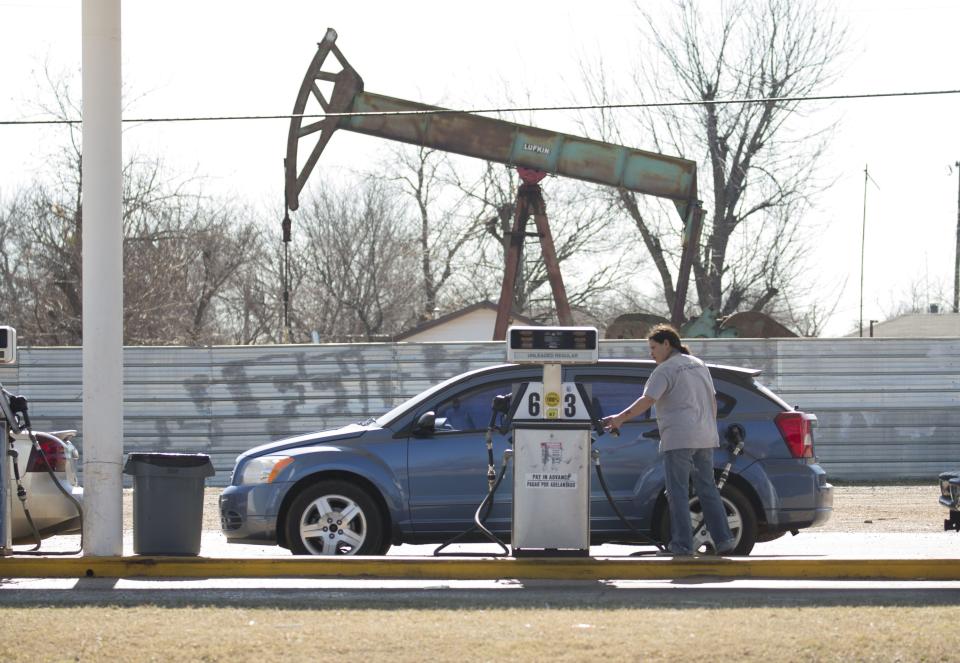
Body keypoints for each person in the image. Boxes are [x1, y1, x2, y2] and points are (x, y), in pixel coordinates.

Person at [601, 324, 735, 557]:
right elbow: (712, 401)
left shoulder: (665, 370)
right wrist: (707, 426)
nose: (651, 353)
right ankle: (724, 540)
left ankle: (682, 545)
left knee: (678, 492)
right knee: (708, 490)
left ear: (666, 344)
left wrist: (619, 419)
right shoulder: (698, 365)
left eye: (653, 347)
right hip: (705, 436)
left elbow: (647, 400)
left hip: (680, 437)